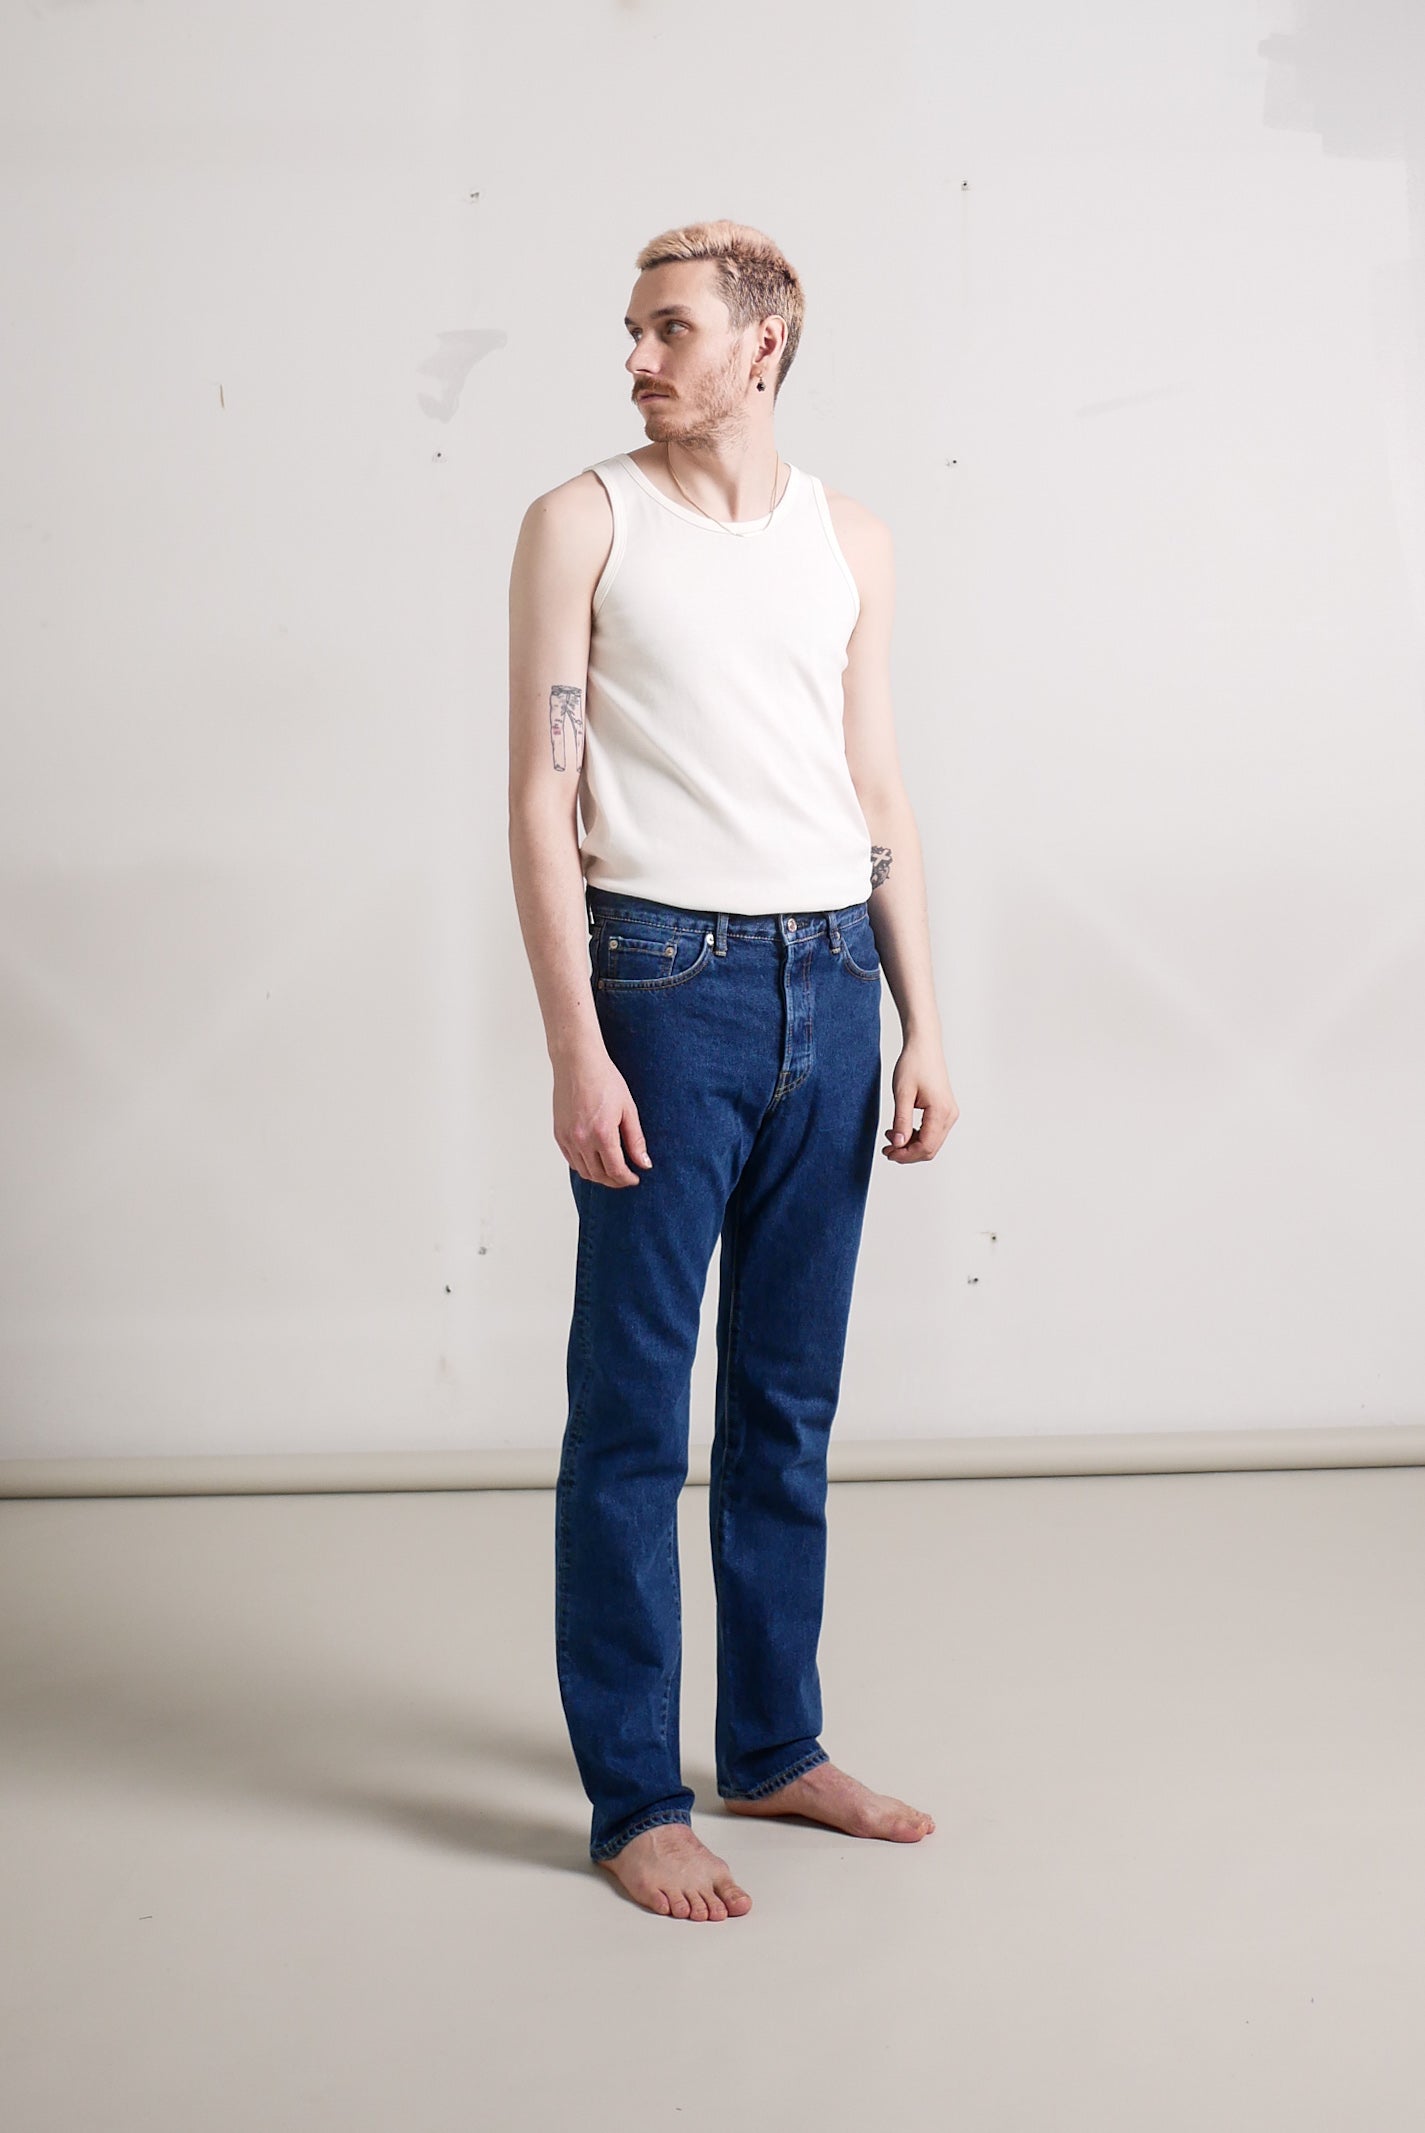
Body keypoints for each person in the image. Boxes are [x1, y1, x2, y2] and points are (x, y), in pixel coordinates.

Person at [507, 220, 958, 1920]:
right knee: (632, 1413)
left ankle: (769, 1744)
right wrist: (575, 1045)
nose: (636, 357)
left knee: (785, 1402)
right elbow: (539, 797)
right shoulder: (583, 523)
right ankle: (637, 1794)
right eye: (630, 330)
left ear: (761, 344)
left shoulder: (850, 539)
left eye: (668, 328)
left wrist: (922, 1020)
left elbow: (877, 790)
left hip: (830, 983)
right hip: (662, 984)